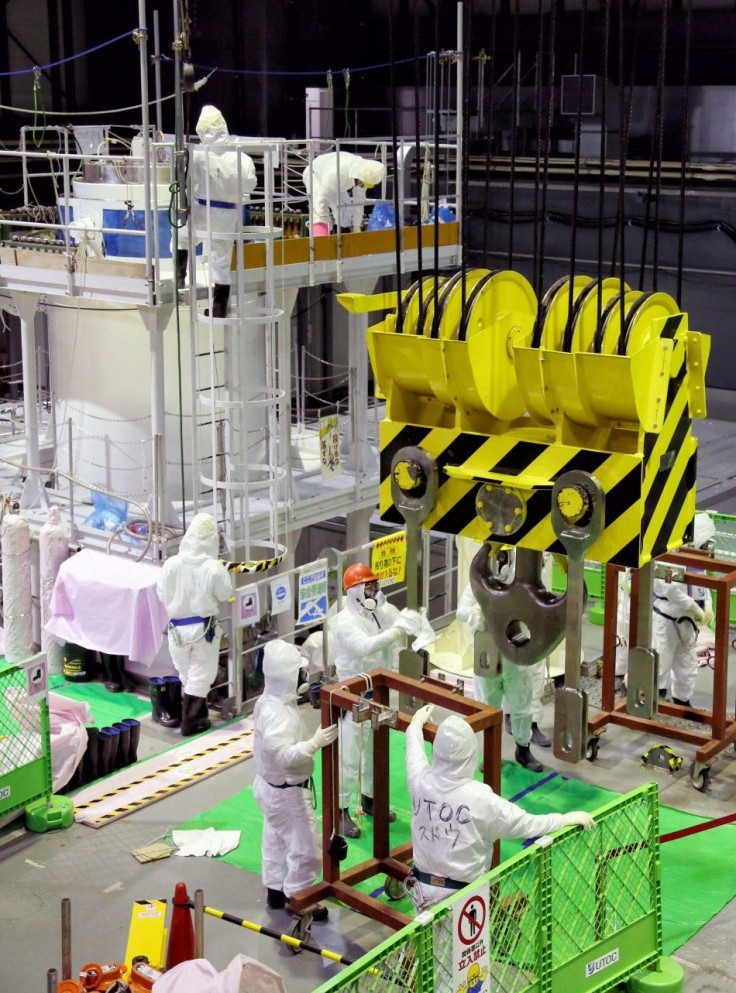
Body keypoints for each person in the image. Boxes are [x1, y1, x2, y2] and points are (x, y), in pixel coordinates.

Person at [405, 706, 595, 913]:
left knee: (429, 944)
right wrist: (564, 819)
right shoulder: (481, 799)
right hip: (464, 902)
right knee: (460, 947)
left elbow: (414, 754)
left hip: (422, 891)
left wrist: (415, 725)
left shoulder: (421, 781)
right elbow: (527, 824)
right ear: (470, 753)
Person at [329, 562, 422, 838]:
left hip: (377, 695)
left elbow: (404, 618)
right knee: (349, 757)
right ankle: (342, 810)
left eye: (374, 586)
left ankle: (370, 800)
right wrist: (395, 632)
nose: (373, 591)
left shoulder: (378, 614)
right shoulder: (344, 622)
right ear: (355, 591)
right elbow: (364, 647)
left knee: (374, 753)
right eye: (368, 586)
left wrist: (412, 619)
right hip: (353, 697)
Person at [253, 639, 338, 920]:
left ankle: (275, 891)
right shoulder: (278, 715)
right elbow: (285, 757)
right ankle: (298, 898)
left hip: (268, 787)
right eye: (299, 671)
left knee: (275, 840)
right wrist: (314, 743)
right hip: (287, 793)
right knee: (306, 851)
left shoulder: (268, 701)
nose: (304, 675)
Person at [173, 105, 257, 317]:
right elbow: (250, 185)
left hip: (201, 209)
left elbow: (185, 180)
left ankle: (179, 279)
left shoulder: (198, 154)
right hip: (228, 214)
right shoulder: (243, 158)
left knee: (182, 239)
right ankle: (219, 308)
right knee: (221, 260)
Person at [457, 575, 544, 773]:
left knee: (521, 707)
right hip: (487, 652)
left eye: (505, 555)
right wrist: (479, 611)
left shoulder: (521, 581)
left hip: (515, 652)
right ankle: (490, 754)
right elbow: (461, 612)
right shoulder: (478, 583)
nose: (501, 561)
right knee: (487, 708)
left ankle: (523, 750)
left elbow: (536, 610)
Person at [156, 513, 232, 736]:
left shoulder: (171, 564)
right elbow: (225, 593)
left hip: (177, 629)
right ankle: (190, 721)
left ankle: (197, 717)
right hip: (203, 629)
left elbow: (161, 593)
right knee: (201, 675)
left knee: (187, 674)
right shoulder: (213, 567)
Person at [653, 513, 715, 707]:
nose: (708, 548)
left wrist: (707, 607)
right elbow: (667, 588)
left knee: (687, 665)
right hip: (667, 619)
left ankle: (682, 700)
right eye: (705, 543)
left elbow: (704, 587)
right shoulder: (670, 557)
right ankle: (654, 697)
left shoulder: (696, 561)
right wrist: (693, 606)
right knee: (660, 661)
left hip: (687, 623)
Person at [302, 151, 385, 234]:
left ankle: (341, 236)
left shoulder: (365, 174)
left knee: (345, 210)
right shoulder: (336, 173)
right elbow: (321, 198)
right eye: (361, 183)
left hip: (337, 182)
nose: (361, 185)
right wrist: (320, 219)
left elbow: (359, 202)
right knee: (320, 213)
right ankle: (320, 237)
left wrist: (356, 225)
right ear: (357, 176)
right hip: (316, 175)